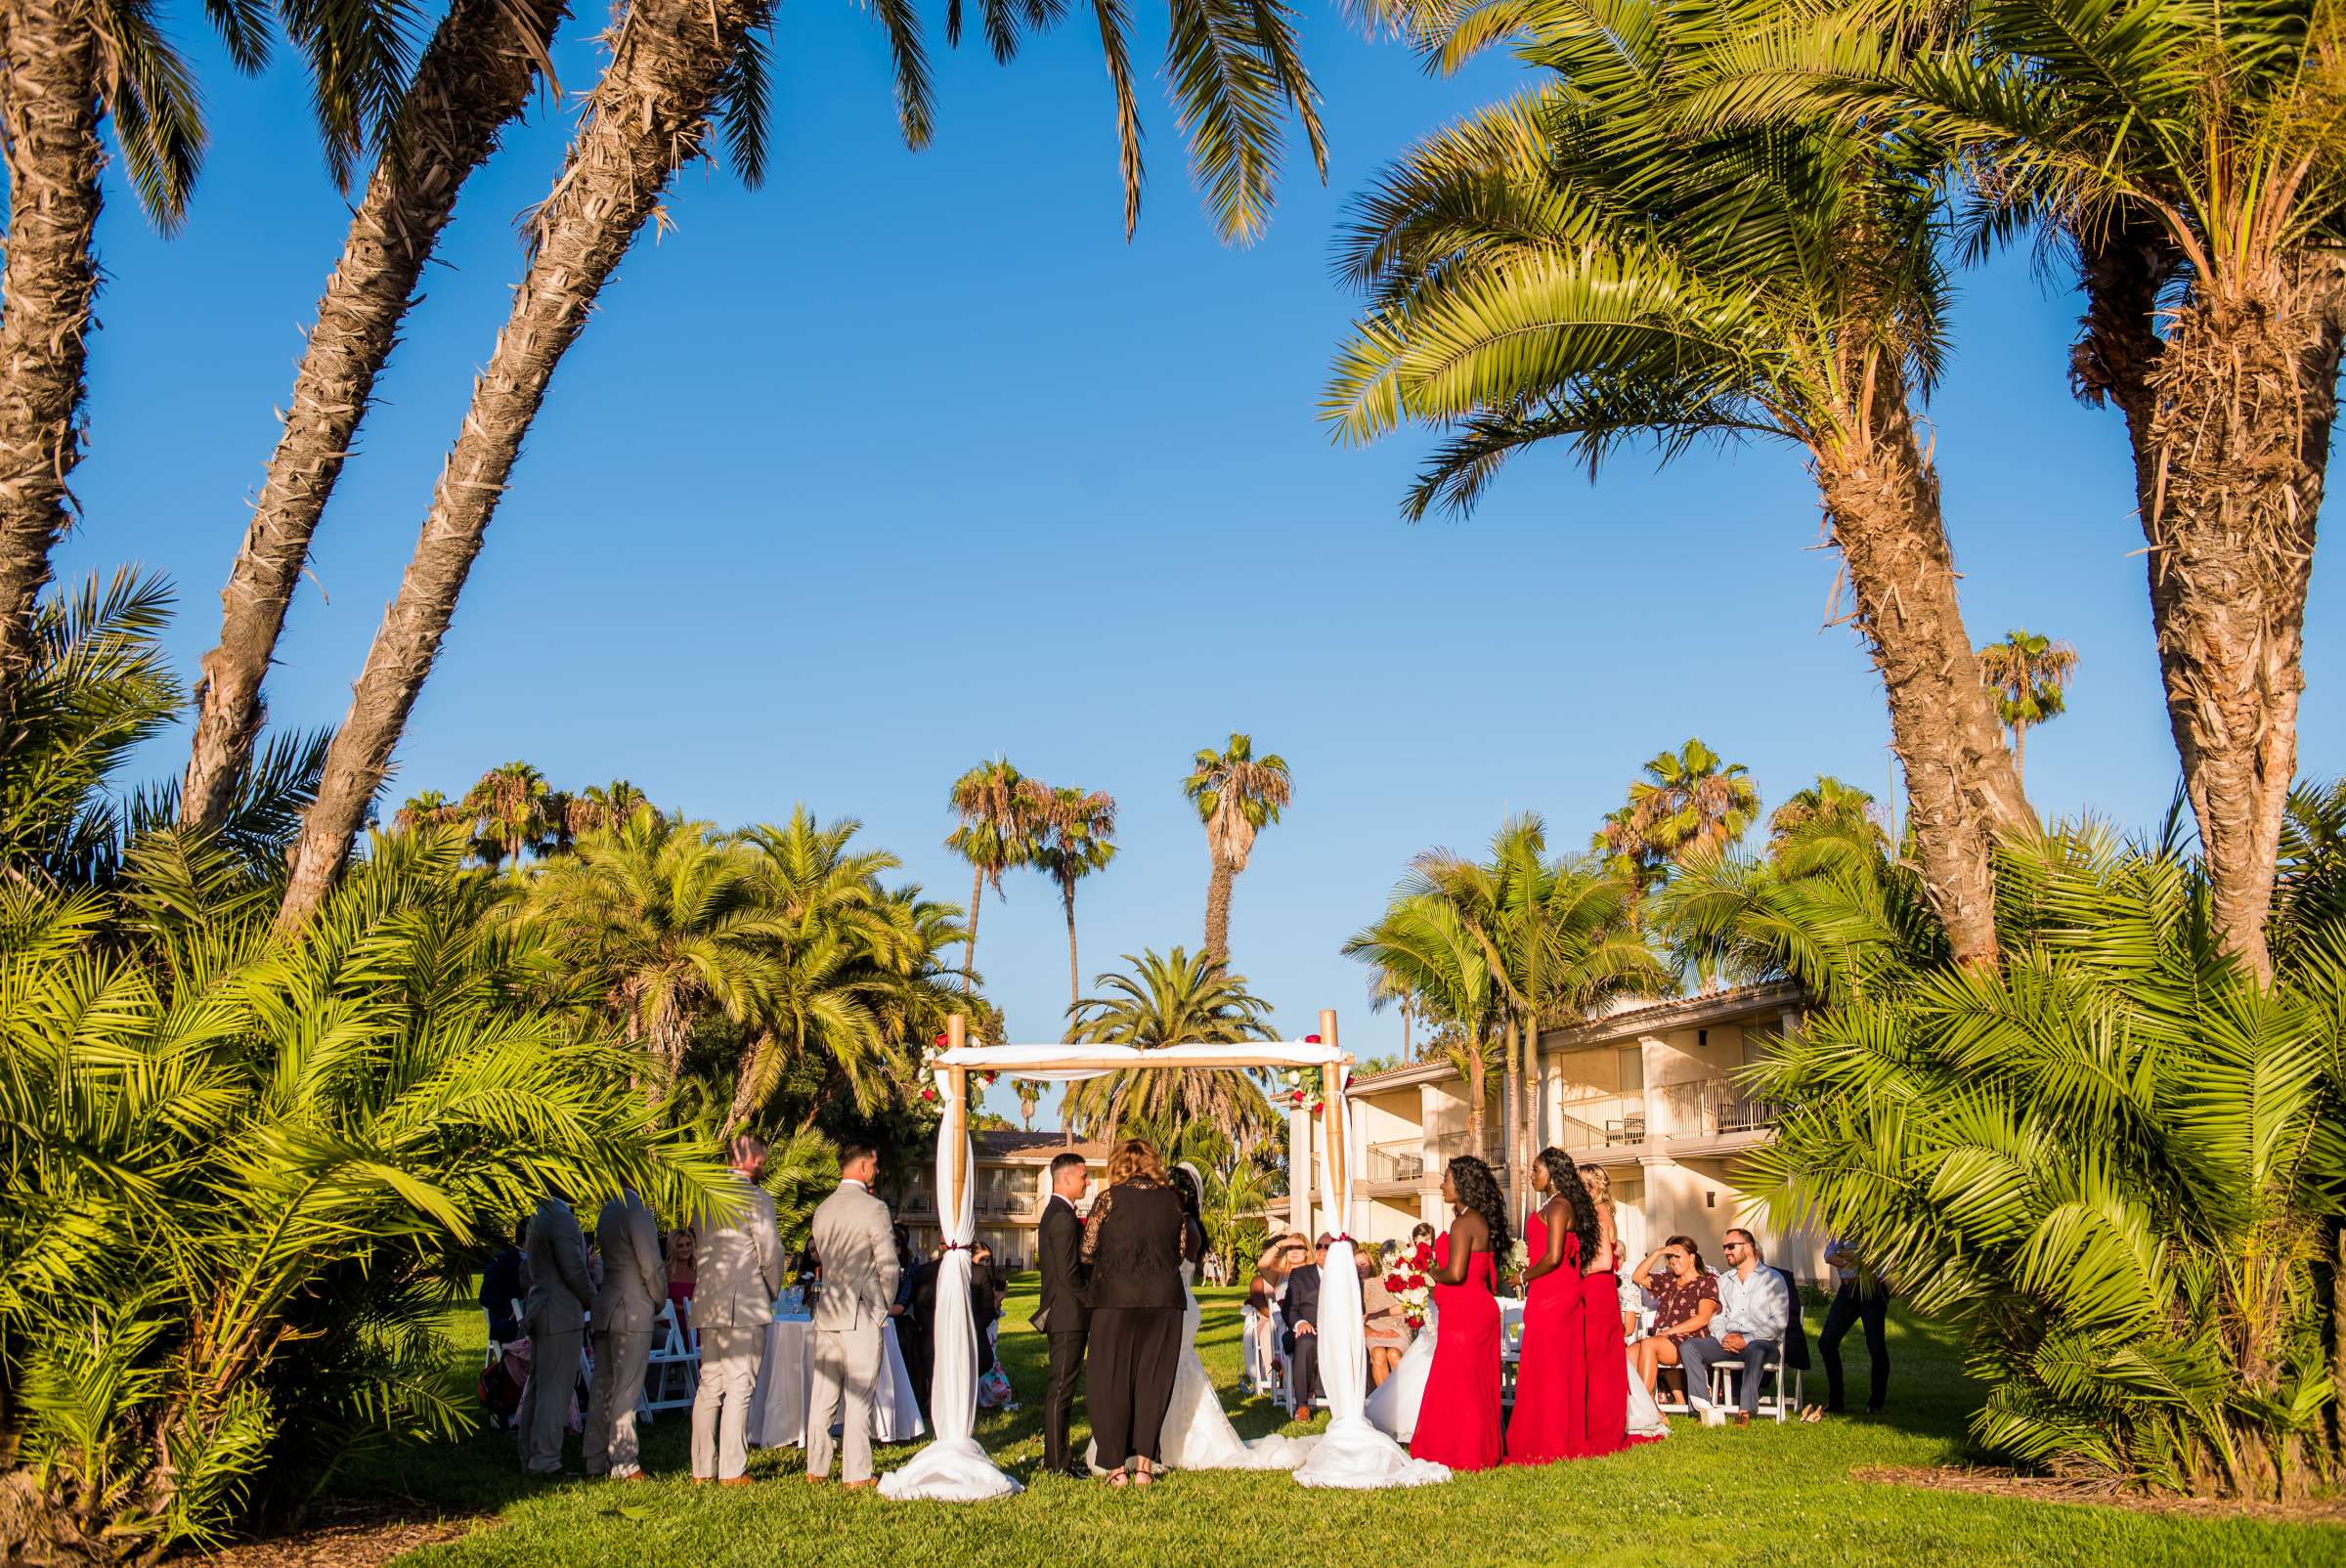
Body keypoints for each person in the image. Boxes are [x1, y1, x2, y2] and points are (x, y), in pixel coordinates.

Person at [1102, 1162, 1313, 1472]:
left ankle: (1173, 1443)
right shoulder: (1173, 1222)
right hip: (1162, 1303)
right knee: (1157, 1369)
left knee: (1171, 1367)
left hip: (1176, 1305)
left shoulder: (1187, 1226)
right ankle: (1149, 1441)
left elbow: (1162, 1262)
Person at [1080, 1138, 1191, 1487]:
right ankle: (1144, 1466)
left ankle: (1116, 1469)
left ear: (1119, 1164)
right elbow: (1180, 1251)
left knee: (1109, 1379)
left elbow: (1087, 1249)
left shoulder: (1109, 1199)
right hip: (1164, 1300)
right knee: (1153, 1381)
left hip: (1115, 1298)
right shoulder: (1172, 1201)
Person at [691, 1134, 787, 1485]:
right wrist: (770, 1292)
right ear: (754, 1160)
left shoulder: (705, 1197)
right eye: (762, 1159)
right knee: (739, 1386)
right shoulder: (757, 1198)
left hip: (708, 1299)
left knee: (709, 1385)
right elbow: (772, 1253)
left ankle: (702, 1469)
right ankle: (732, 1469)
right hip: (744, 1302)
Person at [804, 1139, 897, 1488]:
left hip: (827, 1308)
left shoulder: (823, 1209)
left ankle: (817, 1467)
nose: (875, 1170)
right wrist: (880, 1308)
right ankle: (856, 1473)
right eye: (873, 1164)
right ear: (861, 1166)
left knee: (823, 1394)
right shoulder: (874, 1209)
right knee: (859, 1394)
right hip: (860, 1310)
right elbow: (888, 1265)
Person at [1411, 1155, 1507, 1471]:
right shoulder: (1477, 1219)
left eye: (1447, 1179)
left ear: (1462, 1185)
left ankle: (1463, 1451)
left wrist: (1426, 1270)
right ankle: (1477, 1449)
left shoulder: (1463, 1223)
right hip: (1475, 1308)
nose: (1441, 1185)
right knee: (1473, 1384)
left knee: (1461, 1385)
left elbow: (1454, 1273)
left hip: (1466, 1311)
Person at [1505, 1149, 1598, 1463]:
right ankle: (1544, 1431)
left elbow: (1553, 1256)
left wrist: (1522, 1275)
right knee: (1545, 1364)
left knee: (1553, 1367)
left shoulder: (1559, 1206)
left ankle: (1553, 1437)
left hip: (1555, 1295)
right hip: (1549, 1292)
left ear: (1552, 1173)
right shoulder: (1553, 1204)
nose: (1531, 1176)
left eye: (1535, 1170)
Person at [585, 1186, 668, 1481]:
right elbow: (652, 1265)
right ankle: (624, 1462)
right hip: (633, 1306)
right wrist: (658, 1299)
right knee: (627, 1388)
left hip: (607, 1302)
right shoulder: (637, 1209)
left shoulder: (607, 1209)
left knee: (603, 1386)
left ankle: (594, 1458)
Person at [1578, 1162, 1661, 1446]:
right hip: (1596, 1289)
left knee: (1599, 1353)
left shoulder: (1600, 1217)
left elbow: (1602, 1261)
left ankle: (1605, 1417)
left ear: (1590, 1187)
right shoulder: (1599, 1214)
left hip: (1597, 1288)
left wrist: (1573, 1270)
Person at [1676, 1228, 1790, 1424]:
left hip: (1762, 1343)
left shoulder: (1772, 1279)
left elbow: (1779, 1322)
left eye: (1731, 1246)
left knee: (1756, 1348)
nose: (1726, 1251)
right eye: (1724, 1247)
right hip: (1728, 1341)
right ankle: (1702, 1409)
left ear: (1748, 1248)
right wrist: (1723, 1338)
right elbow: (1717, 1317)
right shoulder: (1724, 1281)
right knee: (1689, 1346)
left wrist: (1746, 1339)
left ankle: (1745, 1411)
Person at [517, 1189, 591, 1478]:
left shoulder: (540, 1214)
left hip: (542, 1306)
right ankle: (546, 1460)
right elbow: (573, 1268)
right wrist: (592, 1298)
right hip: (559, 1311)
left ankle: (530, 1454)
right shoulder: (560, 1217)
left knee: (539, 1385)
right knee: (555, 1388)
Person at [1035, 1150, 1093, 1479]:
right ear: (1066, 1178)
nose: (1087, 1182)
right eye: (1084, 1176)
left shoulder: (1060, 1213)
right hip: (1068, 1315)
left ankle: (1058, 1456)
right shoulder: (1061, 1217)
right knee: (1062, 1388)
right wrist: (1093, 1300)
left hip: (1067, 1313)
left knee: (1063, 1387)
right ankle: (1057, 1461)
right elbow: (1070, 1275)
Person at [1629, 1236, 1719, 1397]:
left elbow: (1703, 1318)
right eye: (1669, 1257)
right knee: (1628, 1354)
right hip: (1661, 1338)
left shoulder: (1706, 1283)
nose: (1672, 1261)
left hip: (1688, 1339)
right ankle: (1645, 1408)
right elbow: (1637, 1277)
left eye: (1677, 1256)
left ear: (1691, 1257)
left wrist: (1669, 1332)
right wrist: (1658, 1253)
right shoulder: (1668, 1280)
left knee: (1649, 1345)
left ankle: (1646, 1406)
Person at [1814, 1234, 1890, 1417]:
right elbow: (1828, 1255)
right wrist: (1852, 1262)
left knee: (1875, 1345)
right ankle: (1836, 1402)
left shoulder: (1876, 1227)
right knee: (1826, 1342)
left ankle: (1876, 1403)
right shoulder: (1842, 1229)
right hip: (1848, 1289)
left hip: (1872, 1289)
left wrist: (1848, 1258)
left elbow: (1878, 1258)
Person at [1280, 1235, 1328, 1416]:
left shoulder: (1346, 1274)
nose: (1323, 1250)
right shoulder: (1300, 1274)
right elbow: (1289, 1309)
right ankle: (1302, 1405)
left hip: (1336, 1332)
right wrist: (1300, 1323)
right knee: (1306, 1341)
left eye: (1328, 1247)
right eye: (1319, 1246)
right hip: (1309, 1329)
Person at [1361, 1249, 1407, 1387]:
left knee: (1394, 1355)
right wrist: (1372, 1332)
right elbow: (1359, 1316)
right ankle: (1385, 1404)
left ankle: (1402, 1402)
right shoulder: (1368, 1284)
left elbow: (1407, 1309)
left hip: (1399, 1329)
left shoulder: (1407, 1281)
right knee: (1378, 1354)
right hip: (1374, 1328)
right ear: (1380, 1260)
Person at [480, 1222, 526, 1344]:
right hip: (511, 1321)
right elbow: (486, 1297)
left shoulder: (544, 1259)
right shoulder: (502, 1260)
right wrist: (511, 1308)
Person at [665, 1229, 697, 1328]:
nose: (686, 1248)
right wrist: (684, 1308)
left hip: (695, 1323)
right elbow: (658, 1303)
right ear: (673, 1248)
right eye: (680, 1246)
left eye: (688, 1244)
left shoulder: (698, 1271)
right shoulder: (664, 1271)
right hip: (672, 1326)